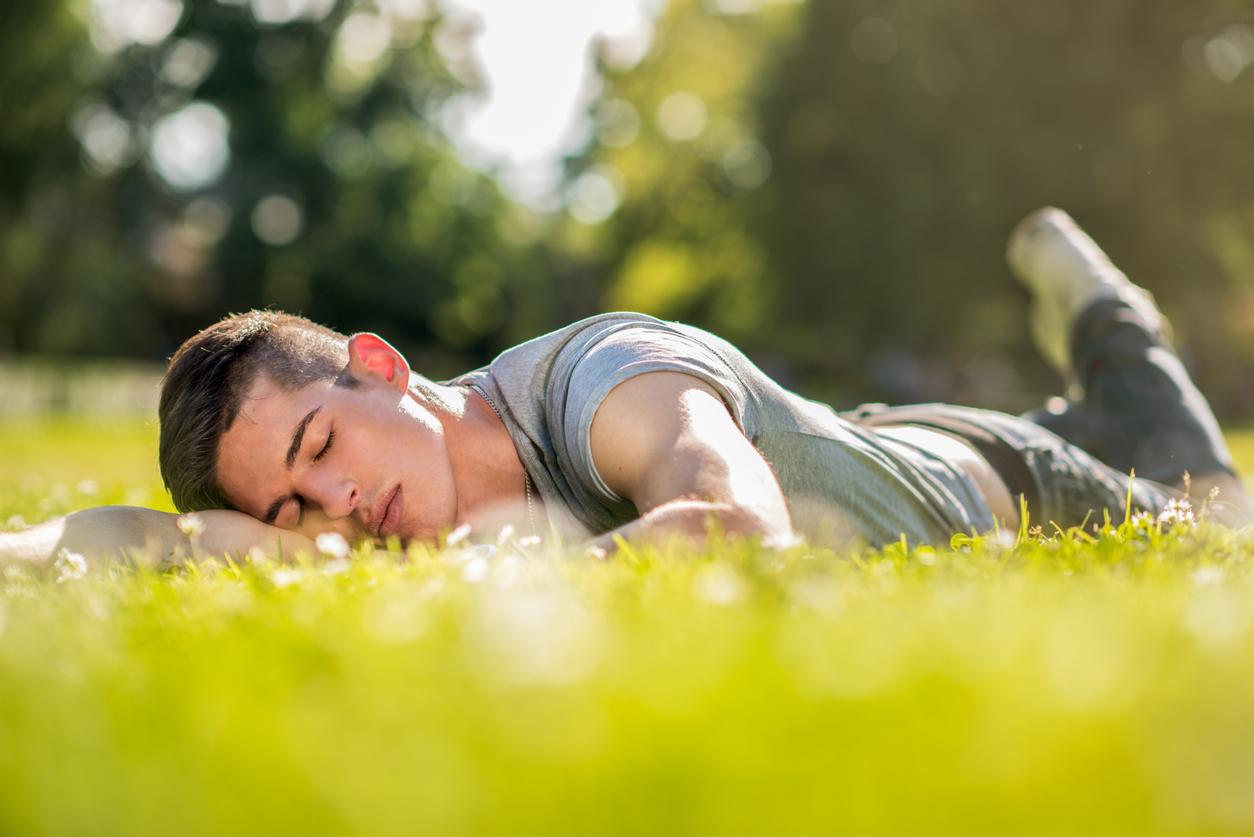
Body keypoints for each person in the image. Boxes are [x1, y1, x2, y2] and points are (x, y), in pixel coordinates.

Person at [1, 209, 1248, 571]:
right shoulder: (362, 529)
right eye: (292, 506)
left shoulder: (600, 383)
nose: (333, 503)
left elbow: (737, 527)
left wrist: (510, 578)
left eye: (321, 440)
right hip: (861, 439)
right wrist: (23, 553)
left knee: (1215, 510)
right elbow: (175, 541)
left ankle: (1099, 310)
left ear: (379, 364)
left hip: (1010, 478)